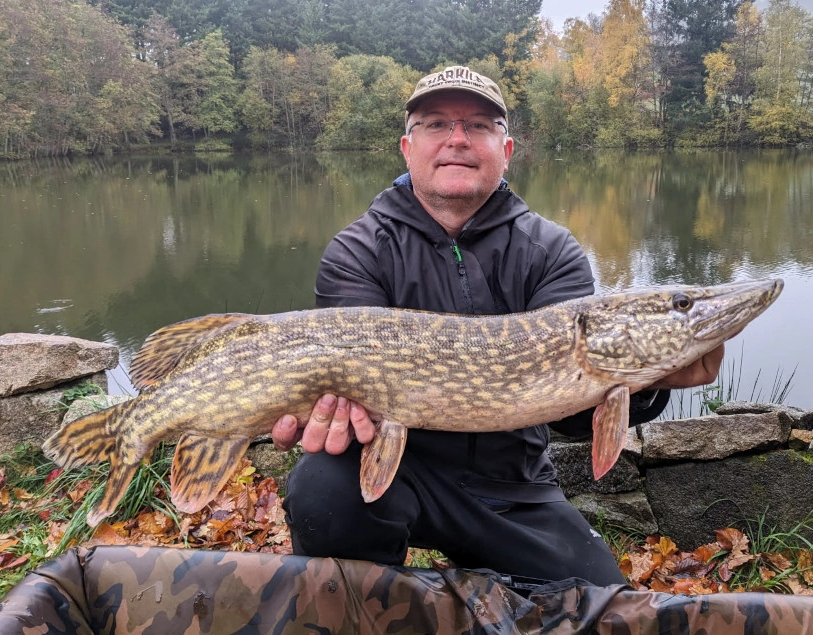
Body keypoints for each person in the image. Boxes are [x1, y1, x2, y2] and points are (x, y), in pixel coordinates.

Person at [271, 65, 723, 585]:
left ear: (506, 150)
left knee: (601, 605)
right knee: (322, 491)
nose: (457, 140)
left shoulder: (552, 252)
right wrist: (316, 414)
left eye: (480, 125)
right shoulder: (359, 251)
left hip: (515, 489)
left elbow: (574, 419)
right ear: (407, 147)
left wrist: (648, 382)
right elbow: (346, 398)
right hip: (396, 473)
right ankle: (366, 605)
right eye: (437, 124)